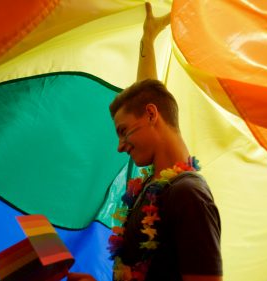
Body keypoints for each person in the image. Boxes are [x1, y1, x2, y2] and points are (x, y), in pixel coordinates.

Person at [69, 3, 222, 281]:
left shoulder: (188, 195)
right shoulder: (151, 187)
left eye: (123, 131)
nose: (119, 146)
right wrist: (148, 40)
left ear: (151, 114)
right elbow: (148, 90)